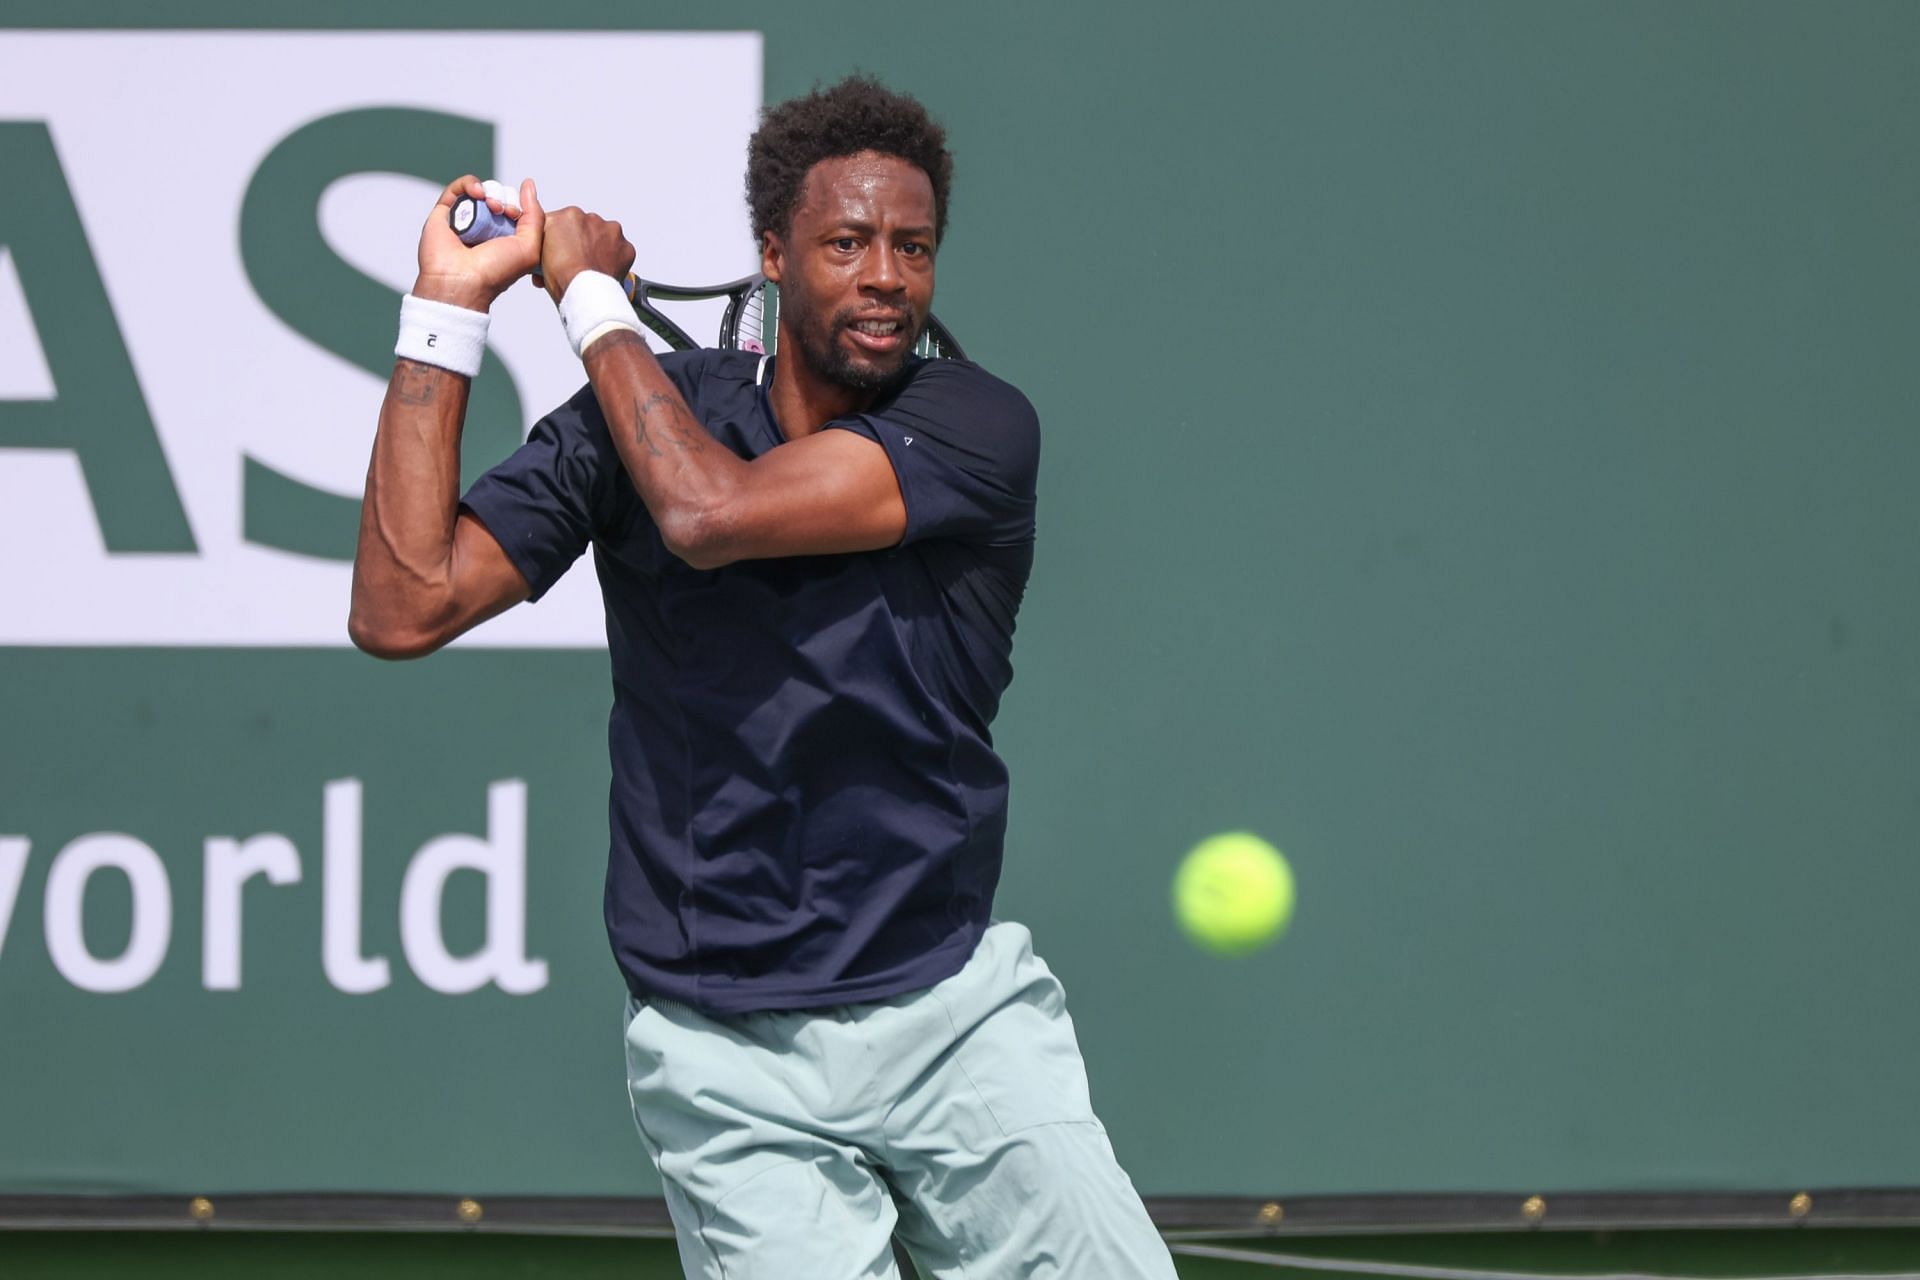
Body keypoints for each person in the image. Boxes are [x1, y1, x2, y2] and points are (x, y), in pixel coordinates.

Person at [349, 76, 1177, 1279]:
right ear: (773, 256)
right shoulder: (634, 422)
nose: (886, 275)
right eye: (847, 243)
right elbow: (400, 604)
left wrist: (586, 296)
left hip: (951, 1012)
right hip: (724, 1051)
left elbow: (706, 511)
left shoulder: (976, 427)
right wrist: (444, 308)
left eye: (913, 247)